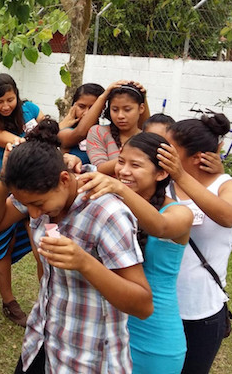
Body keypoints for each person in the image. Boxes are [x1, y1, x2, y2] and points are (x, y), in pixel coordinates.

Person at [0, 119, 153, 374]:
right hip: (42, 342)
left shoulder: (107, 212)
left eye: (38, 203)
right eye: (28, 206)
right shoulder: (41, 198)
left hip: (87, 358)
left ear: (64, 180)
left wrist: (85, 262)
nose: (33, 214)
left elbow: (143, 305)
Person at [77, 133, 194, 374]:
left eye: (136, 165)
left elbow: (159, 226)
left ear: (161, 173)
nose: (123, 171)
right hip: (109, 330)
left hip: (155, 340)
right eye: (121, 161)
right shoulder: (112, 204)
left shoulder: (180, 213)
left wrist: (119, 189)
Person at [157, 113, 232, 374]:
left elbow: (228, 215)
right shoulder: (163, 186)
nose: (163, 153)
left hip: (202, 311)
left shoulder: (227, 186)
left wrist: (182, 175)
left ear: (196, 157)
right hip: (159, 306)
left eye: (170, 149)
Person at [0, 73, 44, 327]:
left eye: (10, 99)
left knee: (42, 247)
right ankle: (9, 303)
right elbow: (15, 142)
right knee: (3, 245)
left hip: (38, 184)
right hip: (5, 184)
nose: (6, 106)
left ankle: (47, 301)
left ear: (17, 94)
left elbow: (53, 133)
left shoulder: (31, 109)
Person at [86, 82, 149, 175]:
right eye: (115, 110)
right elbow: (100, 168)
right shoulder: (98, 132)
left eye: (127, 109)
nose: (120, 116)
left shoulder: (147, 138)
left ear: (141, 108)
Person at [57, 83, 105, 165]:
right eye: (81, 107)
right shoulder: (65, 133)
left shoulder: (106, 132)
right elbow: (81, 133)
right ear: (73, 106)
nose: (86, 113)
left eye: (93, 108)